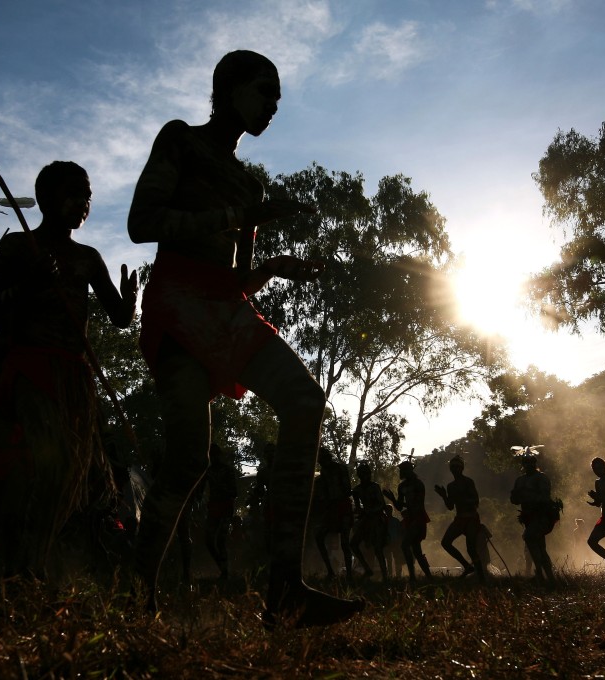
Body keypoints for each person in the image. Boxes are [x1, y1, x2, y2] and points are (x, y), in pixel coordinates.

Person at [127, 49, 363, 626]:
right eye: (264, 92)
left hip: (222, 308)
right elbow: (142, 223)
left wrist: (277, 266)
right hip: (177, 304)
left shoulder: (247, 182)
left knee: (305, 399)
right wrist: (240, 213)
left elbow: (236, 280)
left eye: (278, 98)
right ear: (227, 89)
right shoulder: (180, 140)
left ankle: (284, 589)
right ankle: (135, 597)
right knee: (187, 461)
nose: (273, 106)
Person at [0, 161, 138, 578]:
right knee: (55, 465)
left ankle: (36, 561)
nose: (83, 203)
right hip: (29, 369)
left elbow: (118, 317)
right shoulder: (18, 249)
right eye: (74, 193)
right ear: (45, 197)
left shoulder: (87, 258)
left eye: (88, 196)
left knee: (81, 476)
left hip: (74, 379)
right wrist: (30, 285)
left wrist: (130, 300)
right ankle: (21, 566)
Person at [433, 455, 483, 580]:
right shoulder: (451, 486)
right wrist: (444, 495)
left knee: (471, 548)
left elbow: (476, 501)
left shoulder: (468, 482)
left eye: (457, 467)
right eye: (453, 467)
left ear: (461, 468)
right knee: (445, 542)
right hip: (460, 518)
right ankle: (467, 566)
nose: (455, 469)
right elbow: (450, 506)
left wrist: (462, 498)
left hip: (471, 518)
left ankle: (481, 577)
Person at [383, 459, 432, 583]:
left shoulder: (418, 484)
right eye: (401, 470)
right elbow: (399, 507)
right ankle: (426, 576)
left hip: (418, 517)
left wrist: (414, 519)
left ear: (409, 470)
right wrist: (393, 499)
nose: (401, 472)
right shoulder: (402, 486)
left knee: (406, 545)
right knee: (416, 550)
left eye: (403, 470)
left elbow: (419, 504)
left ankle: (413, 576)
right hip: (410, 518)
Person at [510, 453, 556, 585]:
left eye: (531, 462)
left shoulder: (541, 478)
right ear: (523, 465)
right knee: (540, 547)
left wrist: (527, 494)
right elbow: (514, 500)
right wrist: (517, 494)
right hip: (528, 517)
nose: (529, 465)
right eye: (526, 462)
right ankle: (549, 578)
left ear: (535, 463)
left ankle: (541, 574)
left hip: (541, 515)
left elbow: (545, 498)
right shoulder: (520, 480)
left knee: (530, 537)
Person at [313, 446, 354, 581]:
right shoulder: (324, 472)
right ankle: (331, 571)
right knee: (319, 537)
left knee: (344, 543)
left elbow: (347, 489)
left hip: (342, 507)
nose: (320, 462)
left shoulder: (340, 469)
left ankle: (349, 574)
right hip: (331, 508)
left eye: (321, 459)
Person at [204, 442, 239, 582]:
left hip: (225, 508)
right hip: (214, 508)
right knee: (209, 540)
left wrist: (221, 489)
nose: (213, 457)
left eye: (214, 454)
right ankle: (223, 568)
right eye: (211, 455)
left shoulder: (227, 470)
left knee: (220, 540)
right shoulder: (208, 471)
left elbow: (234, 492)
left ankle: (225, 572)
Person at [349, 461, 389, 581]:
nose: (365, 476)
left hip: (376, 519)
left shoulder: (374, 487)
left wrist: (369, 511)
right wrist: (358, 512)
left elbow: (381, 504)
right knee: (353, 544)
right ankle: (367, 569)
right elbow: (357, 507)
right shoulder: (357, 490)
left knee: (377, 548)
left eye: (366, 473)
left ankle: (385, 576)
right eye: (363, 474)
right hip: (365, 520)